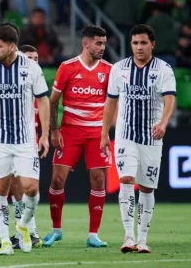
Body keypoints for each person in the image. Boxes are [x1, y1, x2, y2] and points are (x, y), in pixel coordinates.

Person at [0, 25, 50, 255]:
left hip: (25, 140)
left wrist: (44, 134)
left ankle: (23, 225)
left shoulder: (30, 68)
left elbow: (43, 101)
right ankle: (5, 241)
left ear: (12, 47)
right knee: (0, 190)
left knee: (31, 189)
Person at [101, 24, 176, 254]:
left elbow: (170, 98)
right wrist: (105, 133)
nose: (139, 47)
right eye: (135, 43)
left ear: (152, 44)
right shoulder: (119, 69)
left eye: (143, 43)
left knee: (146, 188)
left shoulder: (163, 69)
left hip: (152, 137)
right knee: (125, 179)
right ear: (130, 44)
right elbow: (111, 102)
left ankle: (143, 239)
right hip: (125, 135)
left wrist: (163, 123)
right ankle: (128, 236)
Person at [42, 26, 112, 248]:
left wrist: (107, 131)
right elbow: (53, 100)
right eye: (98, 43)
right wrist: (54, 130)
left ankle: (93, 235)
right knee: (57, 179)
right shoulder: (67, 67)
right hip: (70, 131)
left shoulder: (110, 70)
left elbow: (114, 102)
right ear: (86, 44)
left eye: (104, 43)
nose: (102, 47)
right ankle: (56, 230)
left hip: (96, 133)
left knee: (99, 180)